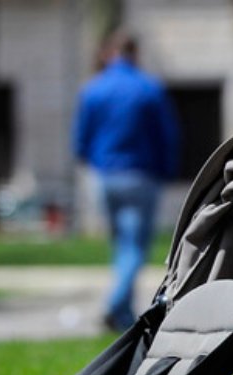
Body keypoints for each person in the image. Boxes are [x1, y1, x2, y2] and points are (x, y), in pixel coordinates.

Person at [74, 30, 180, 332]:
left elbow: (81, 138)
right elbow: (167, 136)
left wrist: (93, 162)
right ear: (135, 53)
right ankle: (114, 304)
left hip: (105, 176)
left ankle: (123, 311)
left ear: (110, 53)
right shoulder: (149, 89)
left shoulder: (93, 89)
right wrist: (167, 169)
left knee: (121, 243)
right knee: (134, 246)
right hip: (140, 175)